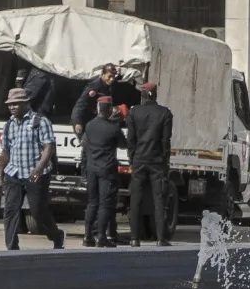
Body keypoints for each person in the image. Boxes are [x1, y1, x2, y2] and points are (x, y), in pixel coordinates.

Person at [0, 86, 65, 251]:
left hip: (35, 173)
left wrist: (39, 168)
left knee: (37, 211)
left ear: (26, 103)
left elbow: (49, 147)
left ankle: (56, 235)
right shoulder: (9, 125)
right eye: (10, 104)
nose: (12, 107)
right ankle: (12, 247)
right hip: (13, 172)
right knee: (10, 210)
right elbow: (5, 152)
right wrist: (0, 175)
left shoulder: (40, 121)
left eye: (16, 104)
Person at [125, 81, 175, 246]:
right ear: (155, 94)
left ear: (143, 95)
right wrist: (165, 161)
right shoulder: (164, 113)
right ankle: (161, 239)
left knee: (136, 199)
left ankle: (134, 238)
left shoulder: (134, 112)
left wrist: (132, 159)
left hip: (139, 160)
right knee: (159, 200)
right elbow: (165, 141)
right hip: (157, 162)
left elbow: (130, 140)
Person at [80, 93, 127, 247]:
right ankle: (101, 237)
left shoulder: (89, 125)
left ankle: (87, 237)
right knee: (105, 204)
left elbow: (85, 144)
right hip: (107, 170)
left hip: (91, 168)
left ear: (98, 108)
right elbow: (123, 144)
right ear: (109, 110)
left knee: (92, 203)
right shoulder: (112, 128)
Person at [71, 62, 123, 133]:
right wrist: (77, 122)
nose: (111, 79)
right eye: (109, 76)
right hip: (85, 120)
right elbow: (81, 104)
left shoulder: (109, 87)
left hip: (97, 120)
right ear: (103, 74)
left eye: (113, 77)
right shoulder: (94, 86)